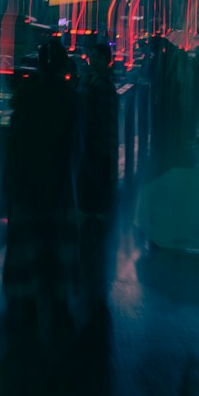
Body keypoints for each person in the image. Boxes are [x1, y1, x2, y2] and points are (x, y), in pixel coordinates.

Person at [77, 40, 120, 320]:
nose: (92, 60)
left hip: (97, 148)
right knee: (94, 189)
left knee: (94, 187)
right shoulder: (98, 84)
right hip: (97, 148)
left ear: (106, 60)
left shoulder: (101, 87)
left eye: (97, 57)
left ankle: (92, 228)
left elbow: (99, 122)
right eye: (91, 56)